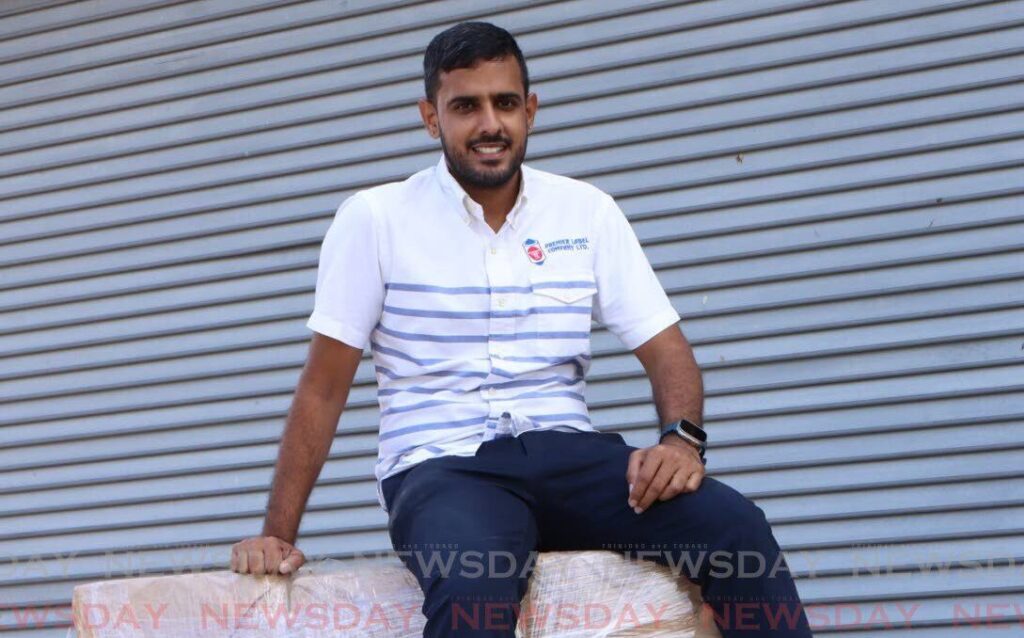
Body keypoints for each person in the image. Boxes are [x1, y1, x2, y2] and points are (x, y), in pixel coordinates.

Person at [231, 21, 813, 637]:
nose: (490, 124)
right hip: (443, 468)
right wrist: (277, 534)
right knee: (473, 586)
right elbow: (323, 387)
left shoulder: (585, 210)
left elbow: (667, 349)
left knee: (737, 529)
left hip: (569, 456)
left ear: (530, 111)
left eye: (505, 103)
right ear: (431, 118)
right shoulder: (375, 219)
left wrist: (679, 443)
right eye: (466, 106)